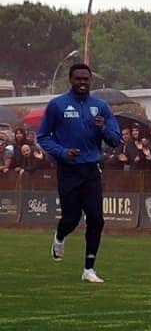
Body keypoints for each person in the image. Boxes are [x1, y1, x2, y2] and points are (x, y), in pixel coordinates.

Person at [36, 63, 122, 283]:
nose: (82, 83)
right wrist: (62, 152)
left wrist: (103, 128)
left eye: (86, 79)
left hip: (91, 169)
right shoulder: (57, 105)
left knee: (96, 219)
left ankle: (89, 269)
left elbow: (115, 140)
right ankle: (60, 236)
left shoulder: (100, 106)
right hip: (68, 170)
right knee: (71, 218)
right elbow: (43, 136)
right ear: (70, 80)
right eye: (78, 79)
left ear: (90, 80)